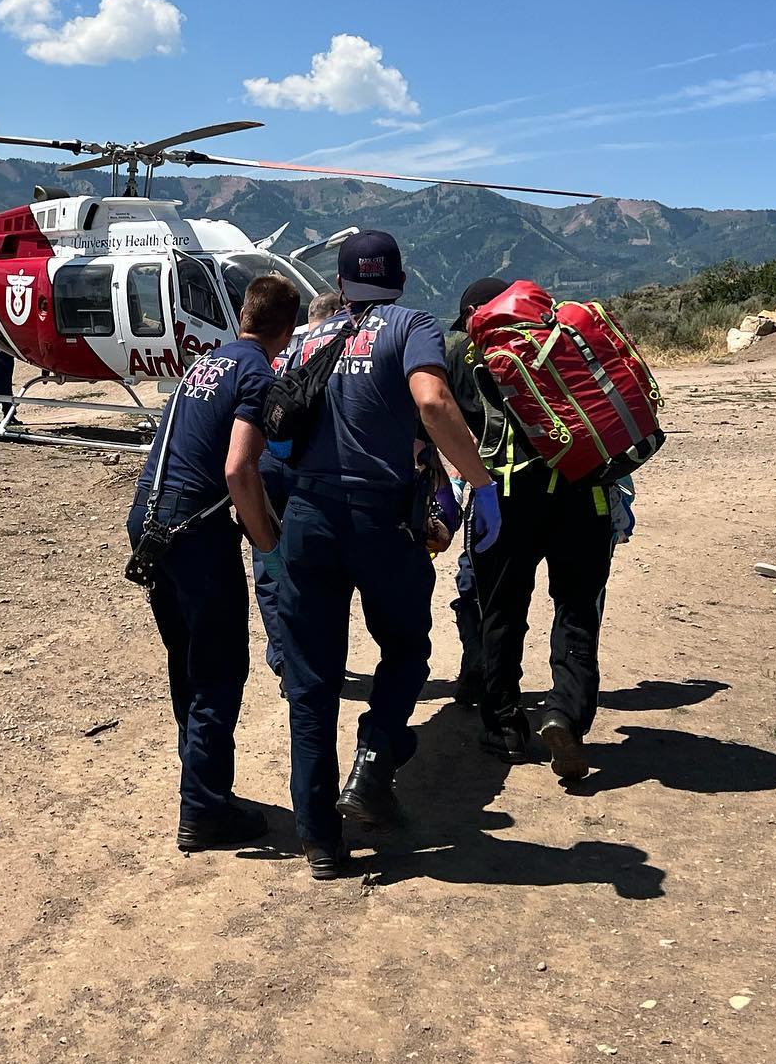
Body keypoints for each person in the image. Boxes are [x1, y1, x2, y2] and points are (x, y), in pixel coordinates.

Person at [273, 232, 499, 881]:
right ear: (398, 278)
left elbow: (280, 429)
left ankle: (320, 840)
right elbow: (431, 401)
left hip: (308, 519)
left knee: (311, 683)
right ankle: (372, 763)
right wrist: (479, 487)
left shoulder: (306, 339)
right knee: (404, 649)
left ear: (341, 285)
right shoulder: (412, 324)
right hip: (379, 518)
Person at [126, 274, 301, 851]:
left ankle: (201, 786)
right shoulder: (258, 373)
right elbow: (237, 470)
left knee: (189, 658)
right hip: (195, 529)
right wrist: (269, 545)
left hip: (150, 519)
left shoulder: (206, 364)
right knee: (221, 667)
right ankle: (204, 810)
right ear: (287, 328)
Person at [463, 298, 623, 782]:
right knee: (577, 609)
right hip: (585, 494)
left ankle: (505, 724)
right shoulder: (571, 346)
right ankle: (565, 714)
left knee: (502, 611)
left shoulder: (481, 358)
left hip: (511, 499)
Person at [252, 289, 344, 679]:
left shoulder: (282, 352)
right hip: (310, 468)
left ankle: (284, 655)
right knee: (314, 561)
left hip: (266, 463)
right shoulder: (340, 351)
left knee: (269, 559)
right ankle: (312, 650)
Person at [441, 277, 510, 715]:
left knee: (478, 580)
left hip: (489, 485)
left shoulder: (460, 356)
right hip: (558, 488)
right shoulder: (546, 347)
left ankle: (480, 669)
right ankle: (568, 700)